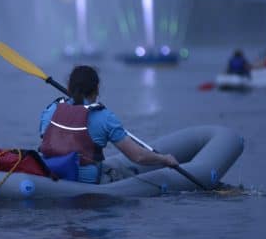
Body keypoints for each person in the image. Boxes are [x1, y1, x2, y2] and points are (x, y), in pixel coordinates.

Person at [39, 65, 179, 184]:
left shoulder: (51, 110)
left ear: (69, 86)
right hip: (89, 183)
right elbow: (138, 157)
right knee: (127, 173)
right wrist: (164, 159)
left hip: (54, 177)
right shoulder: (105, 117)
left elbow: (45, 138)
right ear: (97, 88)